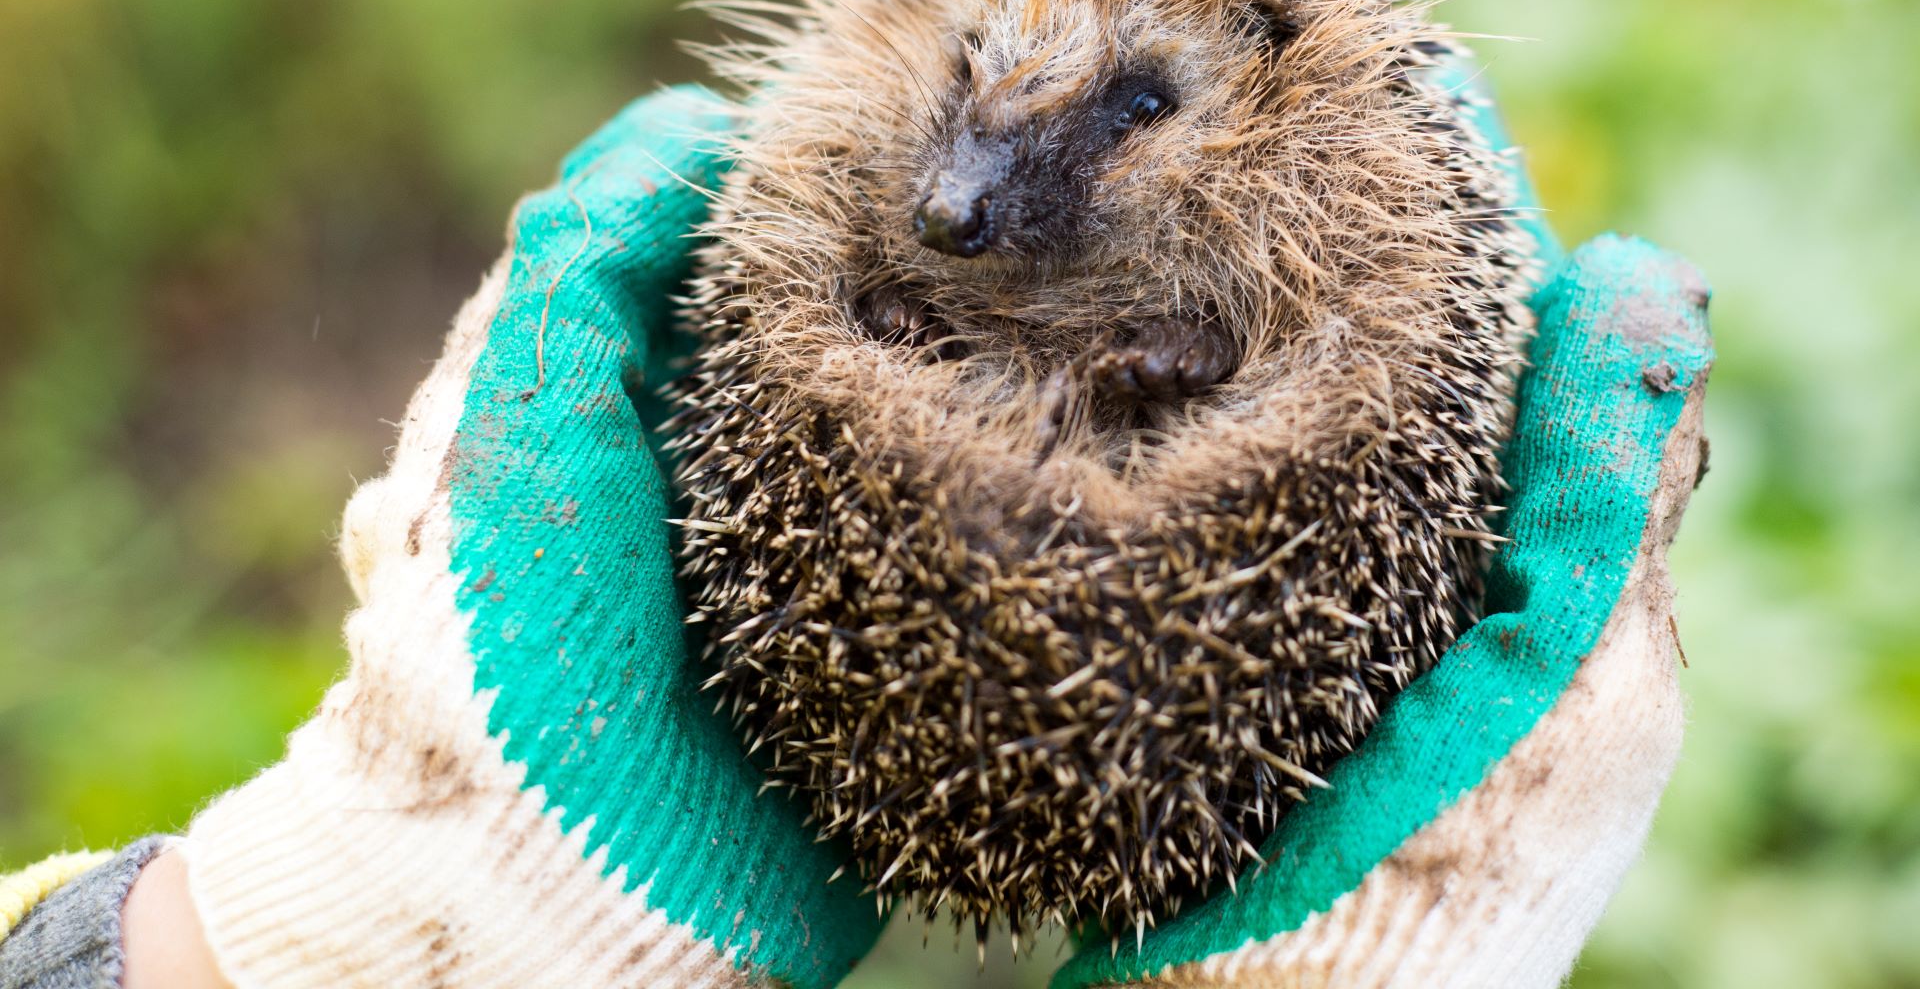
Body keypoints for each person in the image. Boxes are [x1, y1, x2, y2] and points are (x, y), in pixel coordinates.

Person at [0, 84, 1711, 989]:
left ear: (1275, 63)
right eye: (978, 86)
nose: (975, 179)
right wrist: (367, 943)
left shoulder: (1341, 205)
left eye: (1117, 107)